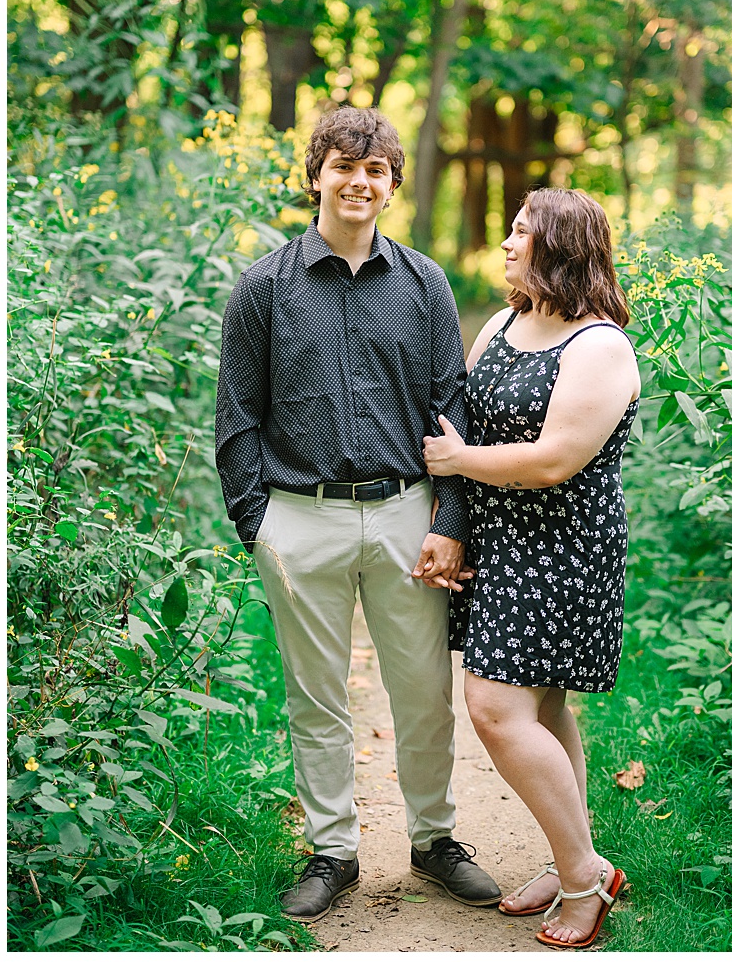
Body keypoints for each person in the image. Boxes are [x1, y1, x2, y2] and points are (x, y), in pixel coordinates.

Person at [215, 105, 500, 921]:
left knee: (421, 686)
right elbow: (237, 415)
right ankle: (333, 849)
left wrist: (450, 521)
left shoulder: (424, 284)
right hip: (299, 517)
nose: (359, 182)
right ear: (316, 177)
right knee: (317, 695)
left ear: (391, 185)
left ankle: (435, 839)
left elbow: (452, 409)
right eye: (344, 166)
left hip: (408, 509)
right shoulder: (264, 286)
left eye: (375, 170)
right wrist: (258, 527)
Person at [421, 186, 641, 949]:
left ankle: (584, 881)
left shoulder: (600, 346)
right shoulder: (507, 321)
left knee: (494, 707)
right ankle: (573, 857)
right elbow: (463, 408)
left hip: (563, 549)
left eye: (523, 232)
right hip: (502, 541)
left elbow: (552, 461)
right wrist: (455, 521)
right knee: (542, 709)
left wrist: (457, 461)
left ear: (562, 247)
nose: (509, 242)